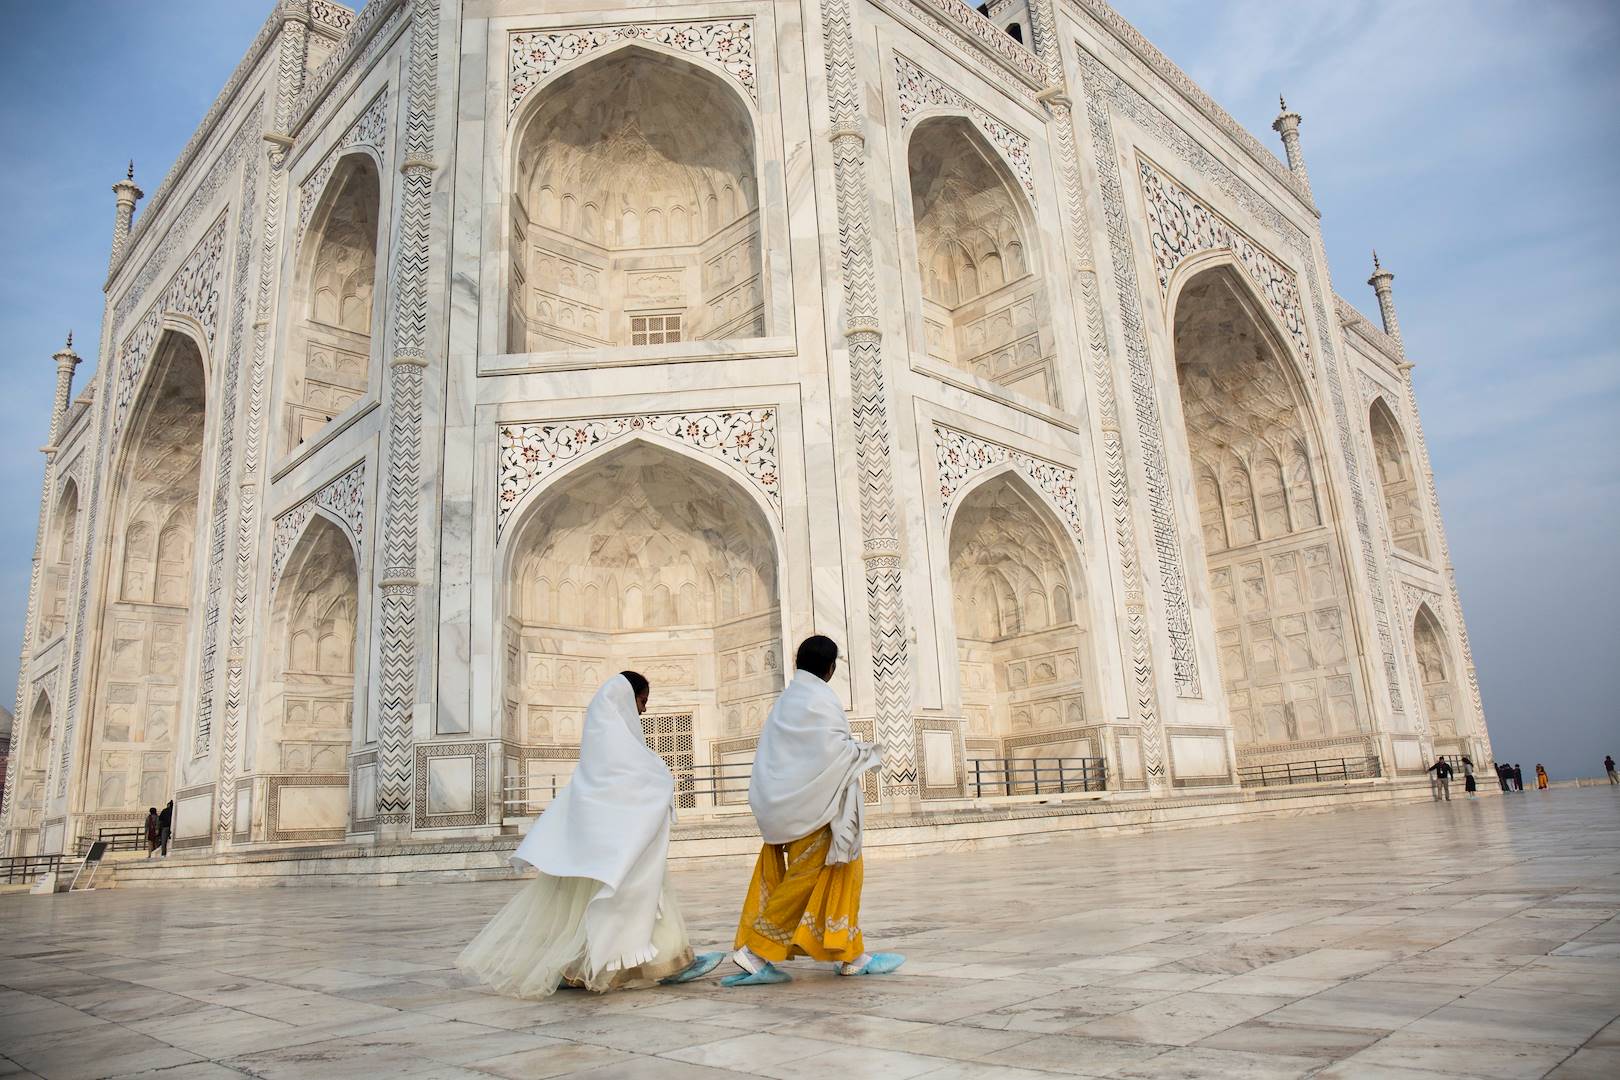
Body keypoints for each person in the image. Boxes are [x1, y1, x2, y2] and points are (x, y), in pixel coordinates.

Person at [458, 673, 722, 997]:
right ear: (627, 701)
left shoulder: (601, 748)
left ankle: (589, 967)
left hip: (606, 847)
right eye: (641, 702)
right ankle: (668, 963)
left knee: (595, 906)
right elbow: (645, 781)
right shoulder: (621, 751)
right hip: (622, 848)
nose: (642, 711)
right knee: (632, 900)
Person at [724, 635, 902, 986]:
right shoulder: (819, 698)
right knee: (803, 882)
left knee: (841, 873)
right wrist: (867, 753)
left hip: (794, 805)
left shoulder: (788, 700)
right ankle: (754, 952)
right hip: (813, 811)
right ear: (831, 666)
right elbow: (831, 751)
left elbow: (794, 756)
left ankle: (849, 953)